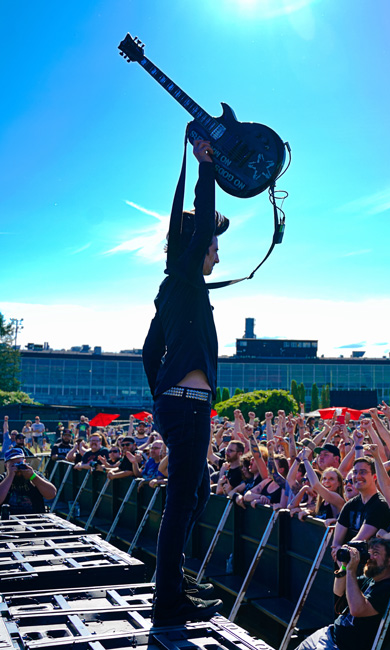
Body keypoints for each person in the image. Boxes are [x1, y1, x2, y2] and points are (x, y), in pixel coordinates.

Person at [142, 137, 228, 625]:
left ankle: (173, 581)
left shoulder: (171, 289)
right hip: (188, 406)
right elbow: (201, 214)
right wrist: (207, 168)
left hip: (180, 403)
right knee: (183, 501)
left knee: (195, 495)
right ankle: (168, 597)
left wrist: (161, 394)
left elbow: (152, 352)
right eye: (214, 248)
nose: (216, 257)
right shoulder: (186, 279)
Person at [297, 538, 390, 650]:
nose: (369, 557)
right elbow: (338, 590)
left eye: (375, 553)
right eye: (369, 553)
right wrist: (344, 566)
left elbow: (357, 610)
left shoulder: (389, 588)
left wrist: (351, 571)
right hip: (330, 633)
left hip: (341, 646)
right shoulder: (371, 580)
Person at [0, 448, 56, 515]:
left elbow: (51, 494)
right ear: (6, 465)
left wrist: (33, 477)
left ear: (24, 462)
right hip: (6, 523)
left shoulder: (34, 476)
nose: (17, 467)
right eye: (13, 464)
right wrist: (10, 476)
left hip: (33, 520)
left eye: (19, 463)